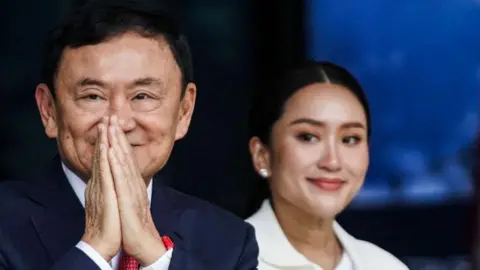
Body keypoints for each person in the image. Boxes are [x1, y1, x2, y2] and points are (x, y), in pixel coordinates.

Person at [0, 1, 258, 269]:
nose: (120, 122)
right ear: (49, 111)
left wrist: (154, 256)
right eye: (93, 96)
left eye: (143, 96)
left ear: (184, 112)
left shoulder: (228, 241)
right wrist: (95, 248)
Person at [245, 60, 409, 270]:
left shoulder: (385, 266)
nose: (332, 162)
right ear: (262, 155)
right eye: (308, 137)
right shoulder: (221, 260)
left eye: (350, 139)